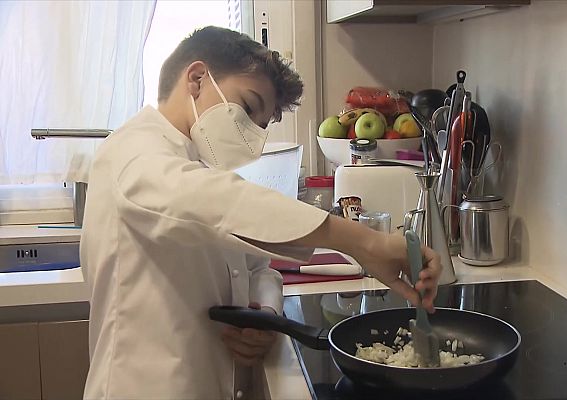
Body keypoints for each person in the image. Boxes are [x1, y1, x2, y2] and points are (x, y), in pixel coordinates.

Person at [81, 26, 442, 400]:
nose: (252, 133)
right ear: (197, 79)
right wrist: (364, 242)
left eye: (261, 125)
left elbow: (256, 269)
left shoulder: (197, 165)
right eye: (249, 107)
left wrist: (265, 314)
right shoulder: (133, 152)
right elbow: (217, 203)